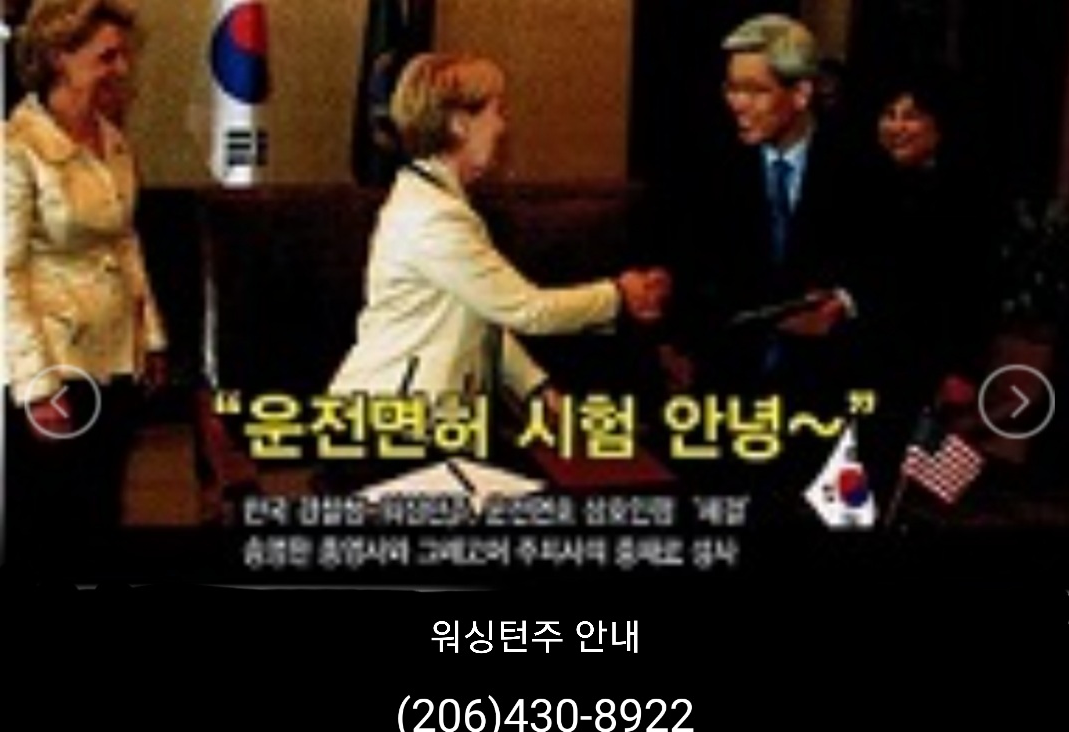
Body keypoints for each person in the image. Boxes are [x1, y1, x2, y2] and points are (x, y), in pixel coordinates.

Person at [327, 52, 668, 462]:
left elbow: (481, 318)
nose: (503, 126)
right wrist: (620, 295)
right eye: (496, 111)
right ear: (459, 123)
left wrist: (536, 388)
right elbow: (527, 310)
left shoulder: (434, 199)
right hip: (386, 433)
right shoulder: (433, 218)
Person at [644, 14, 869, 517]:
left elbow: (894, 268)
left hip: (828, 395)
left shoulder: (861, 163)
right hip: (726, 389)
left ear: (801, 93)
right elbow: (678, 262)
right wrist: (672, 342)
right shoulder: (703, 161)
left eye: (755, 90)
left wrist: (843, 304)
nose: (737, 103)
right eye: (731, 88)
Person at [3, 0, 167, 562]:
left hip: (114, 355)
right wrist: (38, 387)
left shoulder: (110, 138)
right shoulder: (15, 149)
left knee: (101, 515)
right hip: (54, 361)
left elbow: (125, 241)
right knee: (47, 524)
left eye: (123, 55)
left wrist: (152, 337)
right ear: (59, 58)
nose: (123, 68)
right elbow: (3, 276)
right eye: (107, 57)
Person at [856, 65, 1005, 503]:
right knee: (856, 473)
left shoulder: (967, 194)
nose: (896, 126)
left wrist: (964, 367)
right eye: (889, 114)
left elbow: (978, 288)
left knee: (908, 479)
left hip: (928, 358)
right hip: (866, 352)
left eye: (911, 116)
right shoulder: (865, 185)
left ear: (939, 127)